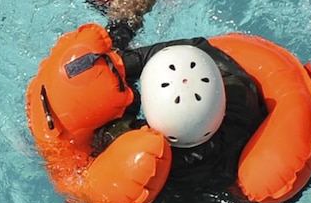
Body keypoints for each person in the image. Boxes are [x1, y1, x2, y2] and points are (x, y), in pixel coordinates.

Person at [95, 39, 267, 181]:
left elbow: (107, 127)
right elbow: (199, 51)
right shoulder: (242, 108)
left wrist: (123, 65)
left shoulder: (150, 163)